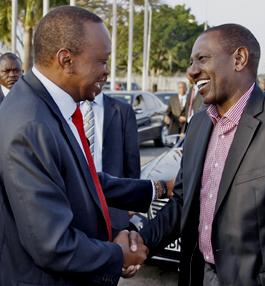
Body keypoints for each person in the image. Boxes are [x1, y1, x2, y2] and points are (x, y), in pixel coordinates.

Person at [0, 6, 170, 286]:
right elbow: (53, 244)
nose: (106, 72)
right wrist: (118, 255)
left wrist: (158, 188)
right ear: (66, 60)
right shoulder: (32, 125)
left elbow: (79, 180)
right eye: (102, 62)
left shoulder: (44, 106)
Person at [130, 23, 265, 285]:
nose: (191, 71)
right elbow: (184, 202)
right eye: (191, 61)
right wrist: (140, 240)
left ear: (239, 59)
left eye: (202, 59)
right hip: (198, 276)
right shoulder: (198, 125)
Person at [81, 89, 140, 235]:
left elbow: (131, 158)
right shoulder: (66, 108)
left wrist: (132, 199)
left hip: (113, 204)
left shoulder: (122, 110)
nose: (103, 72)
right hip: (77, 201)